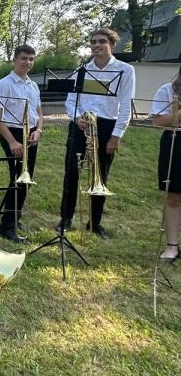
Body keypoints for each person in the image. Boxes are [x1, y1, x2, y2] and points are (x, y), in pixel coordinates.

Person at [58, 26, 135, 238]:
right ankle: (66, 218)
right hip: (81, 125)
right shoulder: (82, 70)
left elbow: (126, 106)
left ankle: (94, 223)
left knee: (100, 175)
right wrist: (77, 118)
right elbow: (71, 100)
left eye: (102, 41)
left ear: (112, 45)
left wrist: (116, 136)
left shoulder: (125, 70)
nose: (96, 45)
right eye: (93, 42)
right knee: (71, 172)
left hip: (107, 126)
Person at [0, 44, 43, 243]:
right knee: (18, 180)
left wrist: (38, 130)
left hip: (30, 134)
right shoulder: (4, 84)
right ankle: (7, 226)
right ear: (15, 59)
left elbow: (39, 113)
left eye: (31, 59)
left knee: (25, 179)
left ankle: (14, 216)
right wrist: (12, 141)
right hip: (12, 134)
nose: (27, 62)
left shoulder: (33, 85)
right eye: (23, 58)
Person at [150, 70, 181, 262]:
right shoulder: (168, 90)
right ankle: (172, 247)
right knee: (174, 196)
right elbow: (158, 121)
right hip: (176, 141)